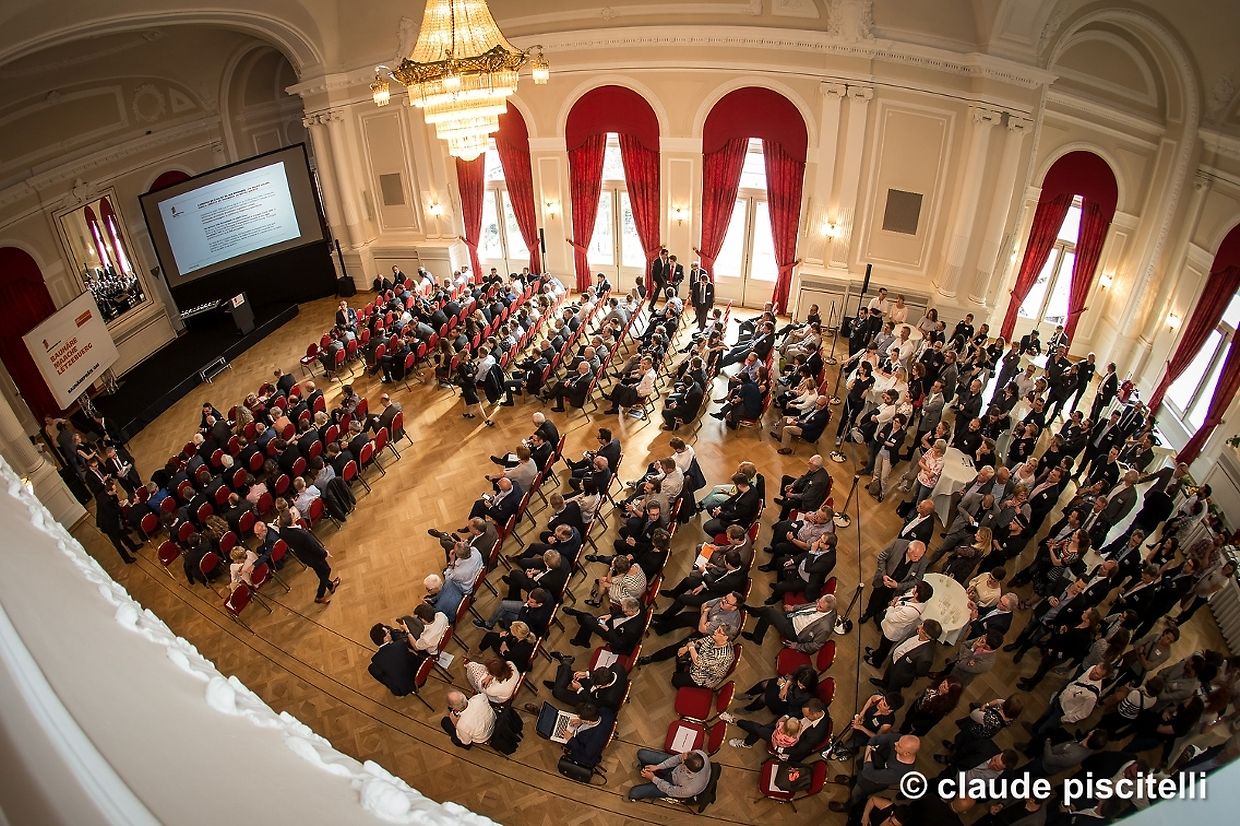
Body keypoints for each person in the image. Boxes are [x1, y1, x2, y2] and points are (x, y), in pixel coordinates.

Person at [276, 512, 339, 603]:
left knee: (320, 571)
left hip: (304, 556)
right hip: (313, 556)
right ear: (292, 521)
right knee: (326, 570)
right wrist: (325, 553)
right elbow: (314, 548)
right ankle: (320, 595)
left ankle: (330, 585)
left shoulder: (283, 531)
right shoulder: (302, 535)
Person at [627, 749, 711, 801]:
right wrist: (658, 767)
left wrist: (653, 778)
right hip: (675, 770)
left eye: (683, 758)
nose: (684, 753)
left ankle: (646, 770)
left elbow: (670, 790)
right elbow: (677, 758)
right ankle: (643, 765)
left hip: (673, 785)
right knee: (642, 753)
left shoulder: (689, 789)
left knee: (634, 793)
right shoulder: (699, 754)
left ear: (685, 766)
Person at [671, 625, 736, 688]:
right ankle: (680, 672)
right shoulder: (717, 639)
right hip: (701, 658)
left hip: (704, 677)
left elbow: (697, 661)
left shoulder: (719, 656)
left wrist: (690, 646)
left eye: (719, 631)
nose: (715, 631)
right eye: (717, 628)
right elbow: (702, 641)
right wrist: (686, 648)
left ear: (725, 637)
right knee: (680, 654)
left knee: (675, 680)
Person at [95, 479, 140, 564]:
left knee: (123, 533)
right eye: (115, 490)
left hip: (114, 520)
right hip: (108, 525)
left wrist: (119, 503)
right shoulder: (105, 501)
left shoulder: (110, 494)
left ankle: (133, 547)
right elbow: (112, 512)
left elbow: (115, 504)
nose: (117, 491)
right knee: (117, 543)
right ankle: (127, 559)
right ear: (109, 491)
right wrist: (122, 506)